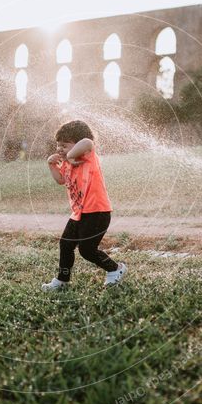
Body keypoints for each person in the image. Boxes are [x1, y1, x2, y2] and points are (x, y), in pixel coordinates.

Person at [42, 120, 127, 291]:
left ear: (76, 145)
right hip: (79, 213)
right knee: (65, 244)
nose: (60, 149)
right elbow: (60, 180)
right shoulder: (67, 162)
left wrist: (71, 154)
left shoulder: (87, 155)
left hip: (97, 211)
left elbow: (87, 142)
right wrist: (52, 164)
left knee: (87, 250)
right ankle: (62, 280)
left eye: (64, 145)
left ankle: (115, 269)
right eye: (58, 145)